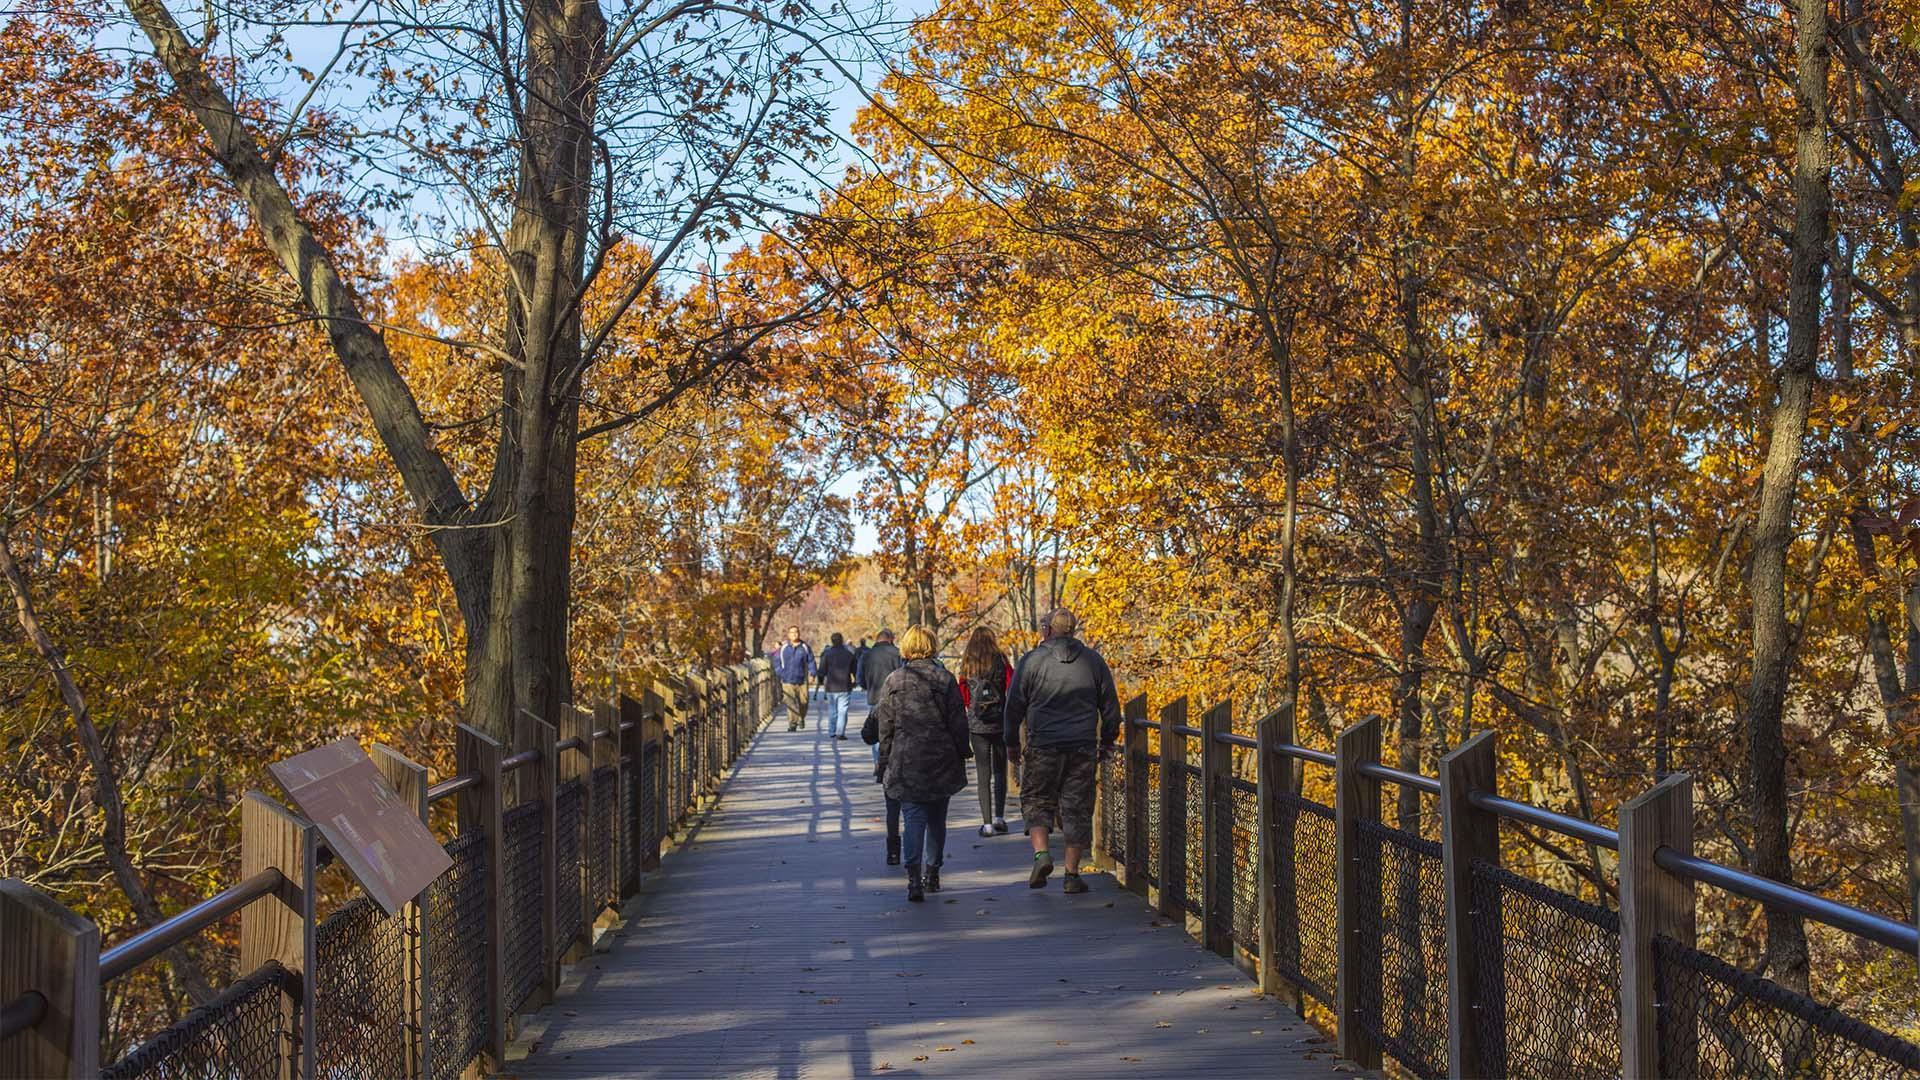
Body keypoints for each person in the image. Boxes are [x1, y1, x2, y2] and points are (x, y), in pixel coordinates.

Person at [1004, 608, 1120, 894]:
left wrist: (1011, 743)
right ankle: (1071, 874)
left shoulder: (1031, 661)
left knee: (1037, 800)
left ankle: (1042, 855)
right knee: (1077, 807)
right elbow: (1110, 707)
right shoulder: (1093, 661)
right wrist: (1107, 740)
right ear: (1073, 630)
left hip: (1043, 744)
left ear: (1047, 630)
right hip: (1081, 745)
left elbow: (1014, 705)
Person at [871, 625, 970, 901]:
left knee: (913, 818)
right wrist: (964, 751)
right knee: (937, 819)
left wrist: (884, 761)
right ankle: (932, 872)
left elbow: (886, 727)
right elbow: (957, 721)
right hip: (940, 758)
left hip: (906, 759)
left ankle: (913, 877)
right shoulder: (945, 678)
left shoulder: (894, 680)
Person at [957, 626, 1013, 838]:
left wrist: (971, 706)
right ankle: (999, 817)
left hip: (977, 723)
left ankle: (987, 824)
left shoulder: (968, 662)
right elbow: (1012, 684)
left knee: (983, 773)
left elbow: (962, 690)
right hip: (1000, 721)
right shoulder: (1001, 660)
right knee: (1000, 770)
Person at [859, 629, 906, 863]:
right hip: (901, 701)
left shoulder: (866, 655)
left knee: (879, 736)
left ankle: (881, 764)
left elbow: (859, 675)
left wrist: (867, 687)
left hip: (875, 698)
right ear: (892, 638)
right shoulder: (898, 655)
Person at [769, 625, 817, 731]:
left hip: (802, 680)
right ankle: (793, 724)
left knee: (804, 703)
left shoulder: (805, 647)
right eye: (792, 632)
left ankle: (801, 717)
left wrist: (812, 674)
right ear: (788, 635)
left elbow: (811, 661)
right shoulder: (784, 648)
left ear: (799, 633)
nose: (794, 634)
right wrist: (780, 673)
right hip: (787, 680)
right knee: (789, 701)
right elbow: (776, 661)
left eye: (796, 632)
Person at [817, 632, 857, 740]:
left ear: (832, 641)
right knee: (843, 710)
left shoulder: (827, 654)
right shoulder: (849, 654)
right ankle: (840, 732)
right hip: (845, 685)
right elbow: (855, 670)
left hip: (831, 686)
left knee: (832, 709)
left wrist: (820, 681)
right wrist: (855, 681)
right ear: (842, 640)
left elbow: (822, 670)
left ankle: (832, 731)